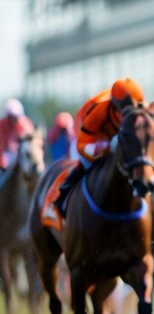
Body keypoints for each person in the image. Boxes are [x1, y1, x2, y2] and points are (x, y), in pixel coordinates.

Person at [54, 78, 146, 213]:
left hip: (114, 135)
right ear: (116, 105)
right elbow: (82, 144)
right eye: (128, 110)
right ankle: (64, 196)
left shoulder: (140, 106)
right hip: (86, 137)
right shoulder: (99, 110)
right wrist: (103, 148)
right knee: (87, 163)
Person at [0, 99, 36, 172]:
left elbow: (32, 137)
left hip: (21, 154)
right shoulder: (2, 125)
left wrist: (24, 136)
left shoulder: (24, 123)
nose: (13, 120)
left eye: (15, 117)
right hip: (6, 155)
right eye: (11, 117)